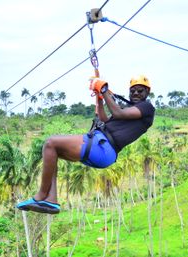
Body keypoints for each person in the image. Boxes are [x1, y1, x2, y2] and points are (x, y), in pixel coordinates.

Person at [17, 75, 155, 214]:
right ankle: (51, 200)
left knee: (50, 143)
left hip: (102, 147)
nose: (136, 93)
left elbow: (118, 113)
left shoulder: (147, 108)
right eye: (133, 91)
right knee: (53, 152)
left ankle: (40, 195)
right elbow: (104, 120)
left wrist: (104, 89)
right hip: (103, 149)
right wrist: (100, 99)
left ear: (147, 92)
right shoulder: (128, 109)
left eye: (140, 91)